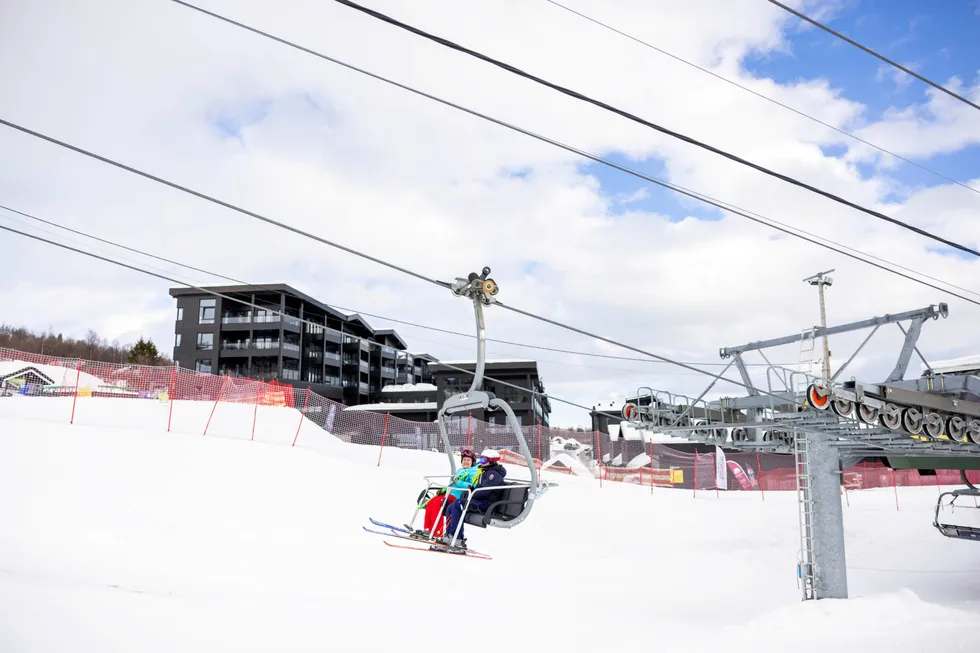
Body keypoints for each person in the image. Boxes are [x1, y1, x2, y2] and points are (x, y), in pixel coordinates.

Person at [439, 449, 507, 549]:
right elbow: (479, 489)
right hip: (480, 500)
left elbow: (484, 491)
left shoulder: (493, 474)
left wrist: (470, 494)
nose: (481, 462)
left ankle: (457, 538)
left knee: (458, 504)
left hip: (486, 504)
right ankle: (449, 535)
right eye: (481, 459)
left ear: (491, 461)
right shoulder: (486, 472)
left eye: (483, 460)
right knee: (450, 507)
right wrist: (471, 491)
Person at [412, 448, 482, 539]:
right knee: (431, 502)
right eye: (464, 460)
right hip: (449, 493)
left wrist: (458, 482)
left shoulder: (474, 472)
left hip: (458, 497)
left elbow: (472, 486)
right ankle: (429, 529)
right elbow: (452, 484)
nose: (466, 462)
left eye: (468, 460)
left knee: (438, 503)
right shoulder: (460, 470)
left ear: (472, 462)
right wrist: (443, 490)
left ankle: (437, 532)